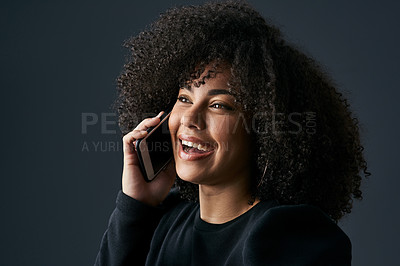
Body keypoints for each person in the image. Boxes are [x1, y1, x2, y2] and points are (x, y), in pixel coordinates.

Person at [95, 1, 370, 265]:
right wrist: (135, 206)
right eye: (184, 98)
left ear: (265, 128)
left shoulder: (287, 235)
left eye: (219, 105)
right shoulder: (163, 220)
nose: (190, 119)